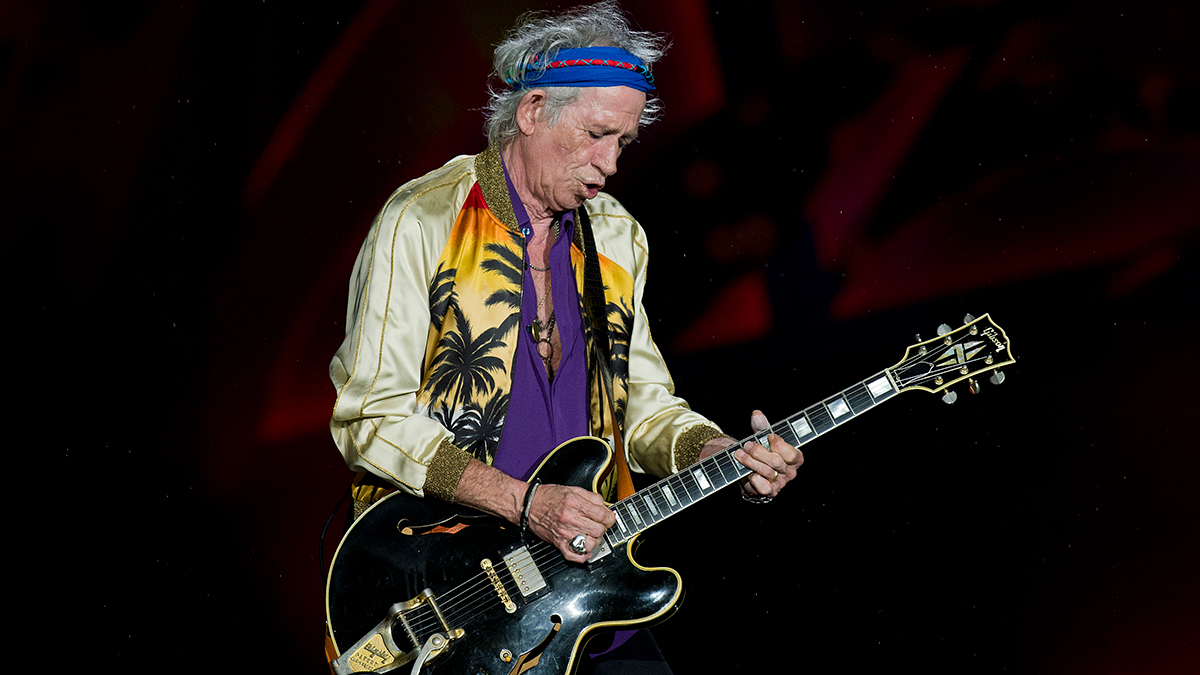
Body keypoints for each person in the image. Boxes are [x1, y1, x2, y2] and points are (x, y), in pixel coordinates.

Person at [328, 2, 802, 672]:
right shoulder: (422, 220)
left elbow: (645, 409)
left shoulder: (616, 237)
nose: (609, 163)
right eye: (595, 135)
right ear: (533, 111)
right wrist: (526, 502)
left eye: (623, 143)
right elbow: (371, 419)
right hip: (449, 589)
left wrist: (715, 448)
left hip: (584, 593)